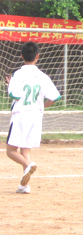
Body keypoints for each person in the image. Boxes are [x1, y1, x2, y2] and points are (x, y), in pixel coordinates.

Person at [6, 41, 61, 194]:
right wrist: (43, 105)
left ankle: (28, 166)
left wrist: (10, 84)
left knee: (11, 151)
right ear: (38, 56)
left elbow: (14, 95)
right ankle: (25, 186)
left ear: (21, 56)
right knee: (26, 151)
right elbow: (55, 97)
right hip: (36, 116)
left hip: (21, 115)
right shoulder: (43, 76)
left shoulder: (18, 74)